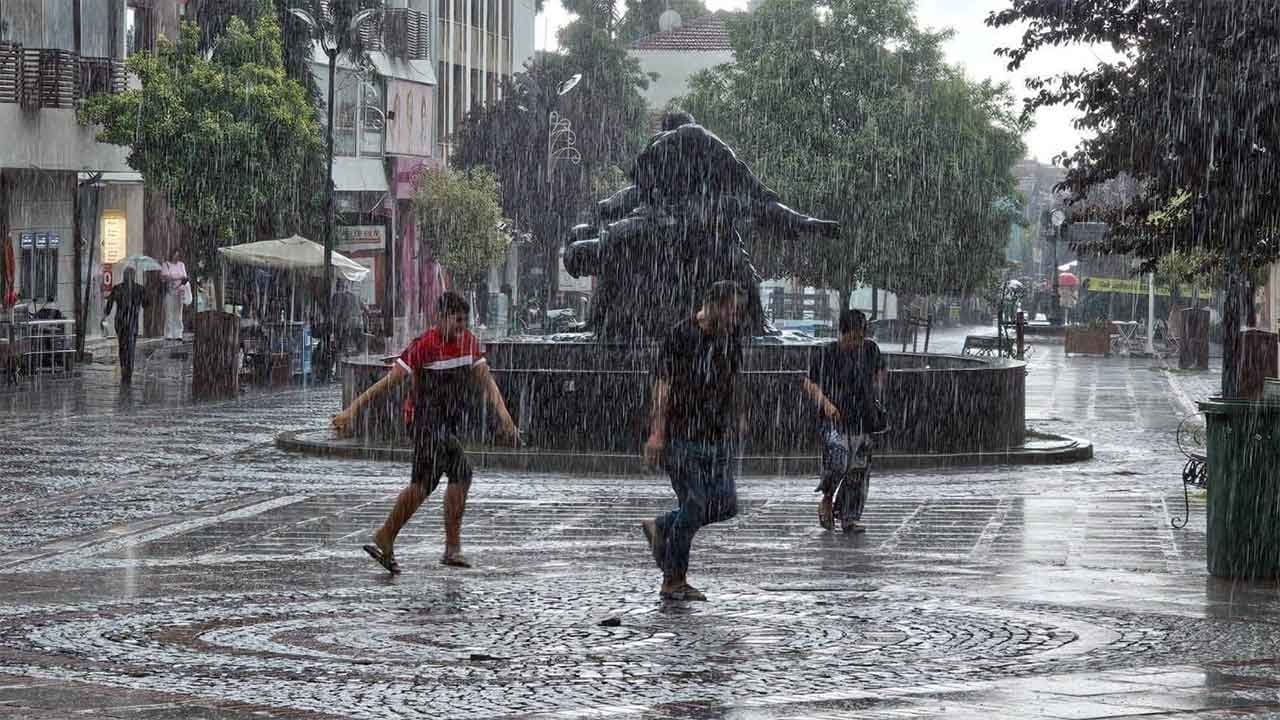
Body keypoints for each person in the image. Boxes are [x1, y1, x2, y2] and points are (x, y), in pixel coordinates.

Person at [332, 291, 519, 573]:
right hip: (423, 422)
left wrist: (505, 418)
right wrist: (352, 409)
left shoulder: (468, 343)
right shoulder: (424, 346)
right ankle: (400, 538)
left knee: (444, 479)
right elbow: (388, 382)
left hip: (446, 424)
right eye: (457, 320)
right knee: (438, 479)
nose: (461, 327)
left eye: (464, 321)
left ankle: (422, 543)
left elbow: (487, 383)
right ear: (440, 318)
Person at [641, 281, 748, 601]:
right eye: (730, 310)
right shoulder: (680, 335)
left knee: (726, 504)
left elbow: (734, 381)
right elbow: (663, 385)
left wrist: (739, 416)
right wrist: (657, 433)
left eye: (737, 311)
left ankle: (662, 526)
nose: (734, 317)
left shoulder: (731, 337)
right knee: (695, 504)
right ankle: (674, 579)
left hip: (716, 436)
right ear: (712, 305)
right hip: (681, 436)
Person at [802, 309, 886, 533]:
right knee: (837, 463)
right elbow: (810, 383)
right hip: (835, 419)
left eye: (861, 337)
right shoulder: (827, 353)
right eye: (853, 337)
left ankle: (849, 516)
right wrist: (826, 404)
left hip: (863, 418)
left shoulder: (870, 350)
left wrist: (874, 390)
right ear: (842, 332)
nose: (857, 342)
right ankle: (827, 499)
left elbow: (879, 372)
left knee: (859, 468)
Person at [102, 267, 148, 384]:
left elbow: (109, 306)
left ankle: (124, 367)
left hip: (121, 321)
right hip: (131, 321)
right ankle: (128, 368)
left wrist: (105, 315)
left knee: (122, 345)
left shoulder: (118, 288)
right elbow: (146, 305)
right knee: (130, 345)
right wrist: (144, 293)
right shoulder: (139, 289)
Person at [330, 279, 366, 358]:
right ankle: (347, 352)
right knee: (349, 337)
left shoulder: (338, 296)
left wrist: (335, 318)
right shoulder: (353, 295)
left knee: (342, 337)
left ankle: (342, 352)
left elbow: (336, 310)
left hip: (344, 321)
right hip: (352, 321)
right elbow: (363, 308)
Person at [159, 249, 188, 341]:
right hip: (169, 291)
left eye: (178, 256)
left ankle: (178, 334)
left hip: (180, 291)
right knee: (169, 313)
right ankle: (169, 334)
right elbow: (165, 277)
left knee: (179, 313)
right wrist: (178, 277)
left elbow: (185, 277)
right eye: (175, 255)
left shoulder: (181, 265)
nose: (176, 258)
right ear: (171, 255)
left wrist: (173, 277)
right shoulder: (166, 264)